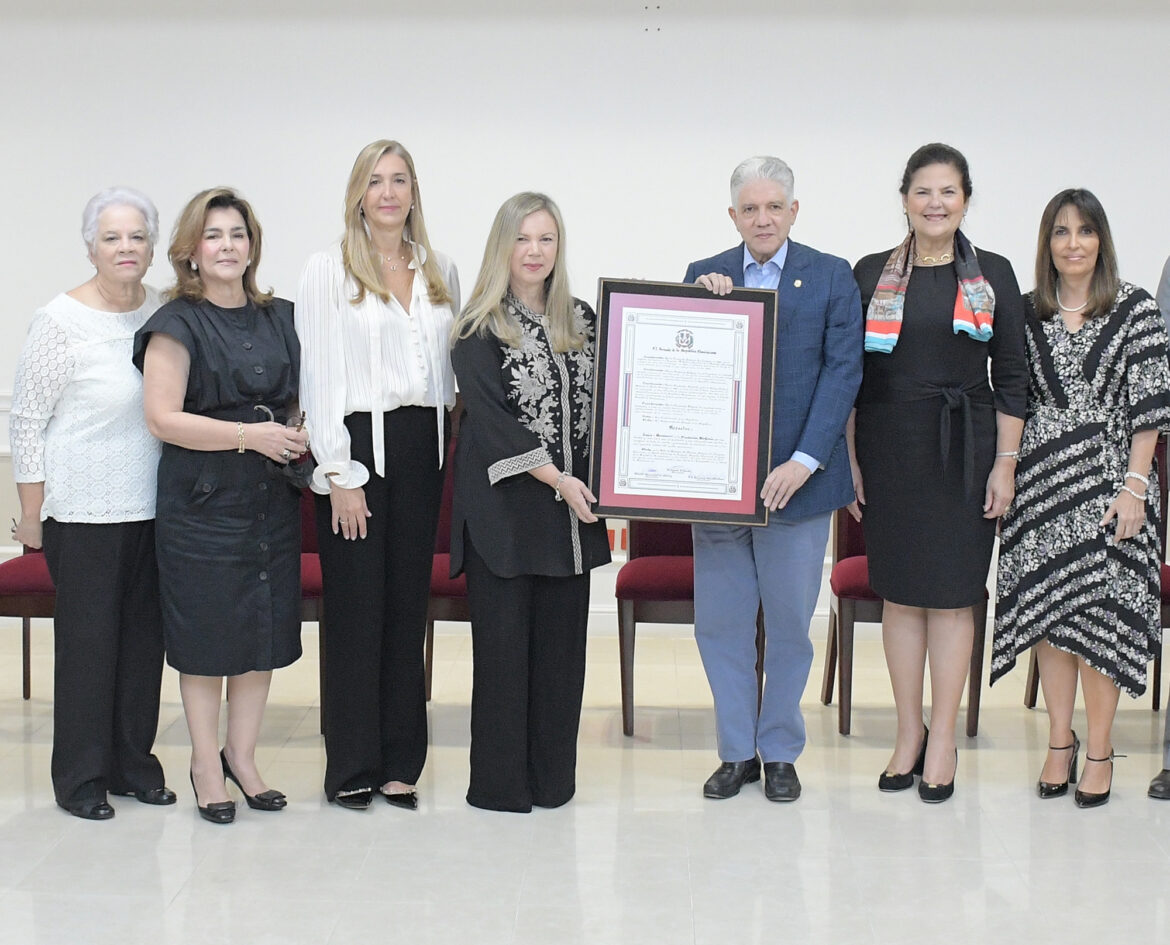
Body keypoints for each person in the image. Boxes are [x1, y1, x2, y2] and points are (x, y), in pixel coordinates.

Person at [850, 143, 1027, 803]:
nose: (934, 202)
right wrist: (851, 458)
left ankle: (945, 738)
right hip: (889, 445)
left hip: (967, 449)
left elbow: (1012, 376)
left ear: (965, 200)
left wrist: (1005, 463)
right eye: (923, 190)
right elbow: (850, 376)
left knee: (953, 596)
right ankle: (907, 734)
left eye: (947, 191)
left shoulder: (995, 274)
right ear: (904, 198)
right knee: (899, 594)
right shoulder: (868, 273)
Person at [685, 156, 862, 803]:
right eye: (749, 209)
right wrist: (698, 312)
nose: (762, 218)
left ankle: (780, 749)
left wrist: (804, 460)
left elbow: (843, 372)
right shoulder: (705, 278)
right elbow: (688, 377)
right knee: (722, 625)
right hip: (720, 489)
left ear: (794, 211)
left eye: (773, 207)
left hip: (801, 486)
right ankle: (736, 751)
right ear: (733, 216)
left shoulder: (831, 276)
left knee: (789, 624)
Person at [992, 189, 1170, 807]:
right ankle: (1058, 744)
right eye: (1061, 232)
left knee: (1099, 621)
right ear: (1047, 243)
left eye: (1086, 231)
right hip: (1041, 487)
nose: (1073, 243)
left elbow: (1150, 408)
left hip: (1111, 486)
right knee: (1052, 618)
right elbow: (1010, 397)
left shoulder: (1136, 309)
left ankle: (1099, 751)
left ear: (1103, 240)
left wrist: (1135, 488)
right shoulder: (1022, 313)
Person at [296, 140, 459, 811]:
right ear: (357, 194)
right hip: (358, 446)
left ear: (414, 191)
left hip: (424, 447)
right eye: (375, 181)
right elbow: (320, 376)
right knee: (358, 607)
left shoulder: (439, 268)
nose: (388, 192)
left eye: (399, 180)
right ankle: (352, 763)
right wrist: (339, 469)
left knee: (404, 606)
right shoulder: (327, 269)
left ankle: (401, 761)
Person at [136, 187, 307, 824]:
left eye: (238, 234)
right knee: (209, 640)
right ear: (190, 251)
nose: (228, 246)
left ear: (252, 245)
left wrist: (299, 428)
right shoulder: (176, 321)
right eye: (214, 236)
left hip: (269, 501)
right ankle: (206, 763)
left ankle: (245, 755)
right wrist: (248, 436)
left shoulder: (280, 315)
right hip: (201, 504)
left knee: (261, 633)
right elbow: (161, 418)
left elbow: (298, 397)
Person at [10, 187, 172, 820]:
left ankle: (135, 766)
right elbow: (25, 423)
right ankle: (80, 780)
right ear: (90, 247)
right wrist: (30, 515)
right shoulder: (59, 322)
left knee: (141, 645)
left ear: (153, 244)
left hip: (154, 507)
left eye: (137, 236)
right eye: (112, 238)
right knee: (88, 648)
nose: (126, 248)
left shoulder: (163, 312)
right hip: (81, 512)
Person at [450, 192, 610, 812]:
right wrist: (557, 478)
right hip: (506, 517)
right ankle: (500, 788)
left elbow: (626, 395)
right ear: (503, 247)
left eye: (546, 239)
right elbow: (491, 422)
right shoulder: (476, 327)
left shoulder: (585, 319)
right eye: (523, 239)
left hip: (572, 520)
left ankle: (552, 782)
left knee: (561, 660)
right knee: (504, 658)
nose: (535, 251)